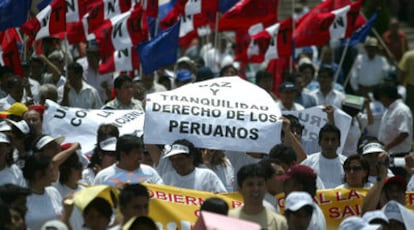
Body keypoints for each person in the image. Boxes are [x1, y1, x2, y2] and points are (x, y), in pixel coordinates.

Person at [228, 163, 288, 230]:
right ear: (240, 189)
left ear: (265, 187)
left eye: (260, 184)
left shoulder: (279, 222)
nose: (256, 189)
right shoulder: (229, 219)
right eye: (250, 184)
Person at [93, 134, 163, 185]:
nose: (141, 157)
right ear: (123, 155)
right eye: (137, 153)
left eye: (141, 153)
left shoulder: (150, 172)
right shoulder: (103, 177)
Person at [161, 139, 227, 193]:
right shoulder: (167, 178)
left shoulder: (207, 176)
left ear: (191, 158)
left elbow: (222, 197)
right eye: (172, 159)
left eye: (180, 158)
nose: (175, 162)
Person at [278, 164, 327, 230]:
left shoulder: (311, 219)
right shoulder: (312, 210)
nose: (284, 187)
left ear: (298, 187)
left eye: (287, 183)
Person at [23, 154, 63, 230]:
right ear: (38, 174)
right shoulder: (23, 199)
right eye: (50, 171)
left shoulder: (53, 192)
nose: (54, 175)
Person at [301, 123, 347, 188]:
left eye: (333, 140)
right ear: (319, 142)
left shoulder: (347, 164)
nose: (330, 144)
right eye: (326, 139)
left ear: (339, 143)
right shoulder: (308, 163)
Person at [376, 82, 413, 156]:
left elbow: (404, 134)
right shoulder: (388, 109)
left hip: (398, 154)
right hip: (387, 153)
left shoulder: (401, 110)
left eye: (381, 96)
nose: (380, 99)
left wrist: (386, 147)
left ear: (385, 96)